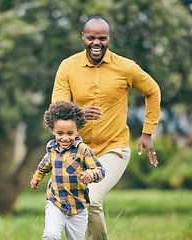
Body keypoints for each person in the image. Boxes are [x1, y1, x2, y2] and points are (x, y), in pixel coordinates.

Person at [51, 16, 161, 239]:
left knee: (90, 196)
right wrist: (79, 113)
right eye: (91, 38)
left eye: (102, 38)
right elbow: (57, 108)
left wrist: (147, 132)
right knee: (68, 204)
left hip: (113, 149)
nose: (96, 43)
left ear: (109, 38)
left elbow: (153, 91)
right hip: (77, 152)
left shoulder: (126, 67)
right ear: (83, 37)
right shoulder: (68, 67)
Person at [30, 100, 106, 240]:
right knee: (50, 235)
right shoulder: (51, 148)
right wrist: (36, 178)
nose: (65, 138)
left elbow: (100, 170)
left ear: (77, 130)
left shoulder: (83, 150)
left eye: (70, 133)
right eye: (60, 133)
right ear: (52, 130)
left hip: (78, 208)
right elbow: (45, 165)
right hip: (55, 203)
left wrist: (90, 174)